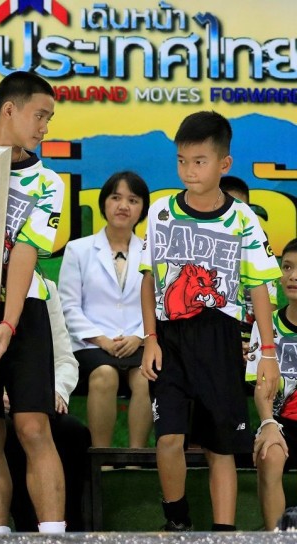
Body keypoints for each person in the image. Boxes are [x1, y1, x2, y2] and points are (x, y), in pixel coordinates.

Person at [140, 110, 281, 531]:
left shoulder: (244, 219)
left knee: (222, 446)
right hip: (169, 337)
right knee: (169, 439)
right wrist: (150, 337)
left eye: (198, 161)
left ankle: (223, 533)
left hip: (220, 337)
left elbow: (258, 288)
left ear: (224, 164)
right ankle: (176, 522)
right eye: (181, 160)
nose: (188, 170)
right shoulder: (161, 211)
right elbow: (149, 279)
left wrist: (268, 353)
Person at [0, 71, 66, 535]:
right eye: (39, 115)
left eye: (49, 118)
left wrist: (9, 321)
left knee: (32, 427)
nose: (45, 126)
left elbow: (25, 251)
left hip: (24, 311)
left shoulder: (48, 182)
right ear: (9, 110)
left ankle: (53, 533)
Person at [58, 171, 152, 448]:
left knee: (147, 380)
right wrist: (101, 340)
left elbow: (159, 305)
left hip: (139, 343)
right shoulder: (78, 250)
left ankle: (136, 460)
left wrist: (140, 337)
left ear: (142, 209)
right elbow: (69, 306)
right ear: (104, 204)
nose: (123, 206)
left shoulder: (152, 253)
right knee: (104, 375)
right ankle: (102, 458)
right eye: (116, 198)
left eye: (133, 200)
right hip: (91, 345)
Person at [6, 279, 91, 532]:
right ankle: (24, 528)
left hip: (37, 398)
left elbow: (65, 358)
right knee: (8, 435)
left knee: (73, 433)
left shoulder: (45, 288)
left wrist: (54, 392)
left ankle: (71, 529)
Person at [247, 237, 297, 530]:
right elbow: (261, 388)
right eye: (287, 267)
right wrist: (267, 423)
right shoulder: (267, 325)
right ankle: (275, 536)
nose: (293, 276)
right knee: (270, 452)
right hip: (280, 422)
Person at [219, 175, 277, 355]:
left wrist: (253, 347)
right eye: (225, 208)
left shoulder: (258, 246)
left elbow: (270, 308)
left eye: (239, 209)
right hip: (213, 342)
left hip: (252, 345)